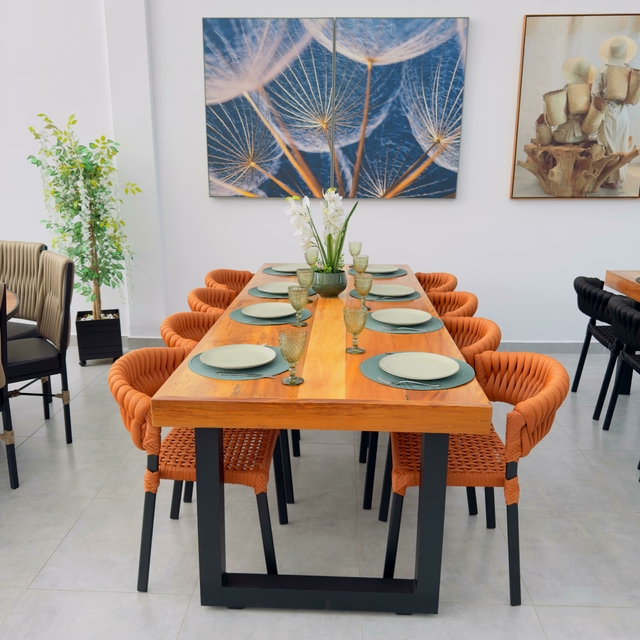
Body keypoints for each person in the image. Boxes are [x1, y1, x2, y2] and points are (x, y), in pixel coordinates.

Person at [591, 36, 638, 188]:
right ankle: (617, 179)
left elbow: (595, 93)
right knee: (621, 144)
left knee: (607, 144)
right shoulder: (628, 71)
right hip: (622, 113)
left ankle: (608, 179)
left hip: (607, 111)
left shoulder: (602, 70)